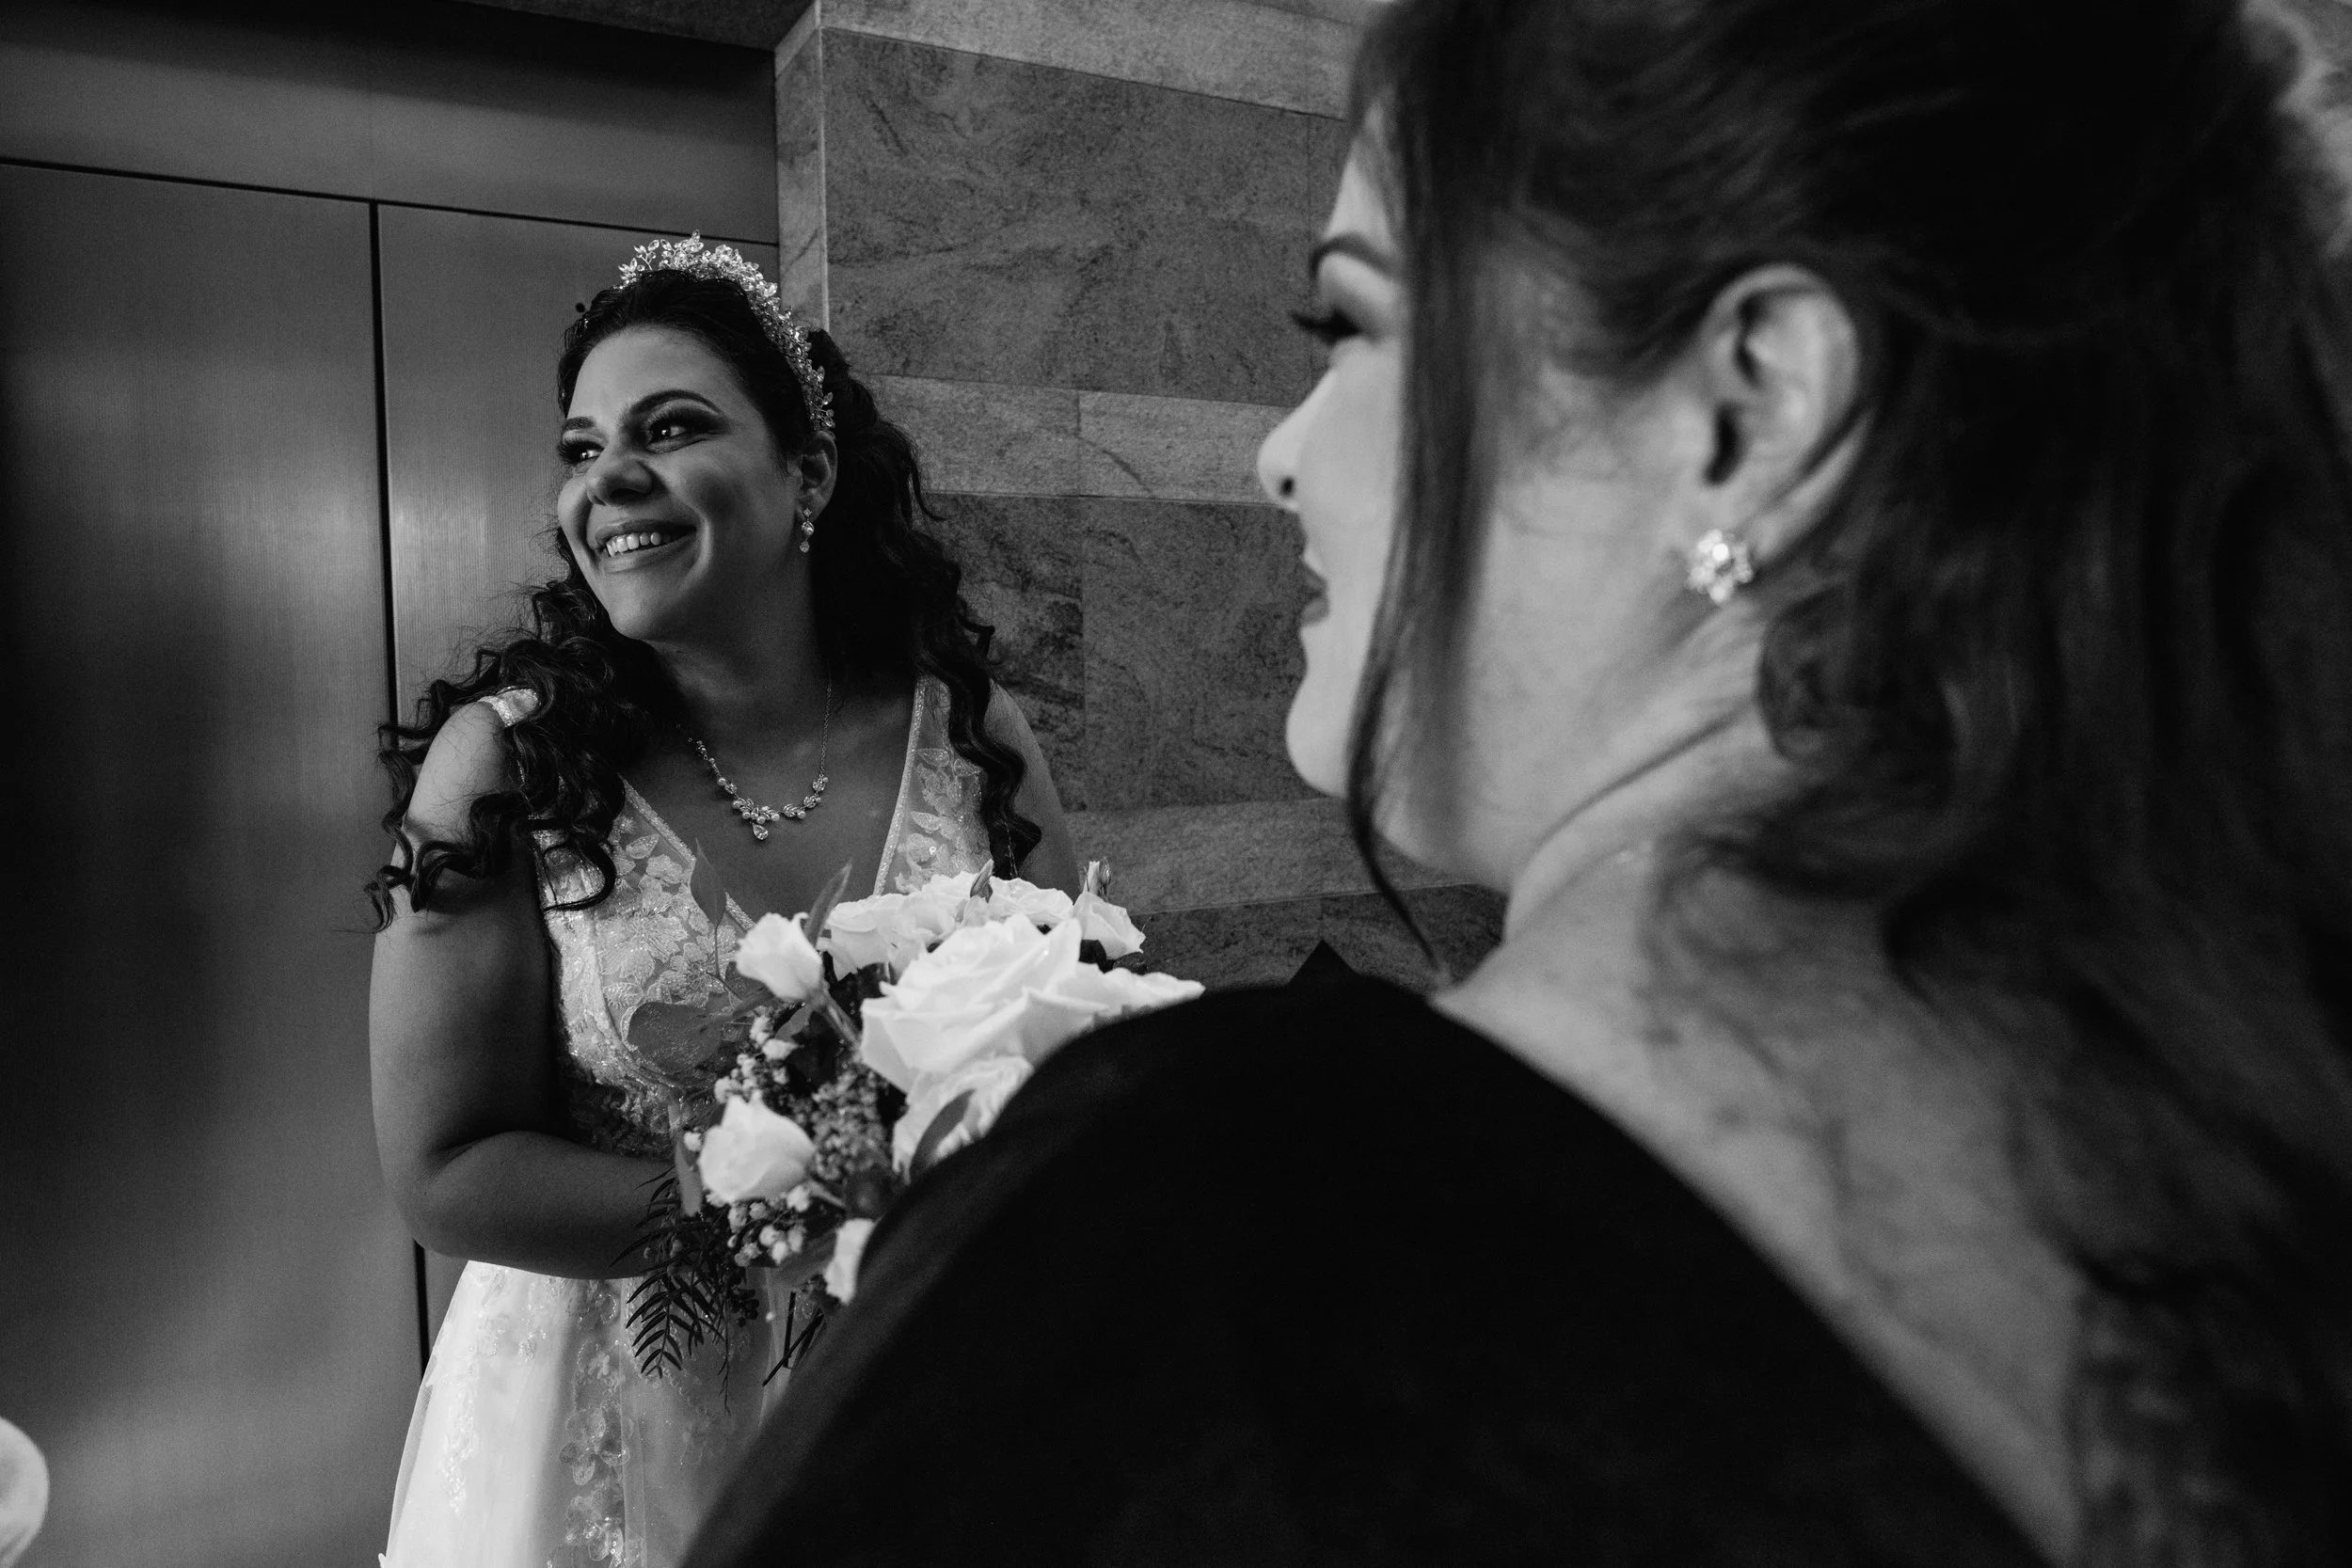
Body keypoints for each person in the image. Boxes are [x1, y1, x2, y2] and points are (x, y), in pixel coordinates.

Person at [681, 0, 2352, 1562]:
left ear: (1752, 412)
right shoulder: (2251, 1158)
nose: (1281, 448)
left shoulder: (1235, 1241)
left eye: (1349, 320)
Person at [370, 236, 1080, 1567]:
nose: (608, 480)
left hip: (924, 1367)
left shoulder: (972, 731)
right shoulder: (510, 767)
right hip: (622, 1405)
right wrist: (767, 1200)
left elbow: (1068, 1039)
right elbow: (445, 1168)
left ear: (807, 472)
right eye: (581, 449)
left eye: (672, 427)